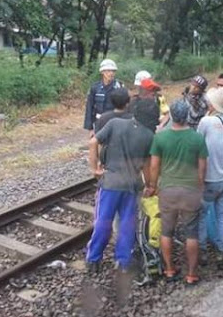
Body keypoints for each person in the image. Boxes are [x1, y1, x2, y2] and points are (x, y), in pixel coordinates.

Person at [85, 92, 155, 274]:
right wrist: (150, 185)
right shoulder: (149, 136)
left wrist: (94, 169)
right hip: (131, 185)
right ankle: (123, 261)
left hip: (110, 183)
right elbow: (147, 165)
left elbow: (93, 142)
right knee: (127, 223)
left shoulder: (115, 124)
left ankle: (93, 260)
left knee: (103, 221)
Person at [149, 100, 208, 286]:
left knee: (166, 231)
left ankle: (169, 270)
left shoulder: (160, 138)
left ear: (172, 116)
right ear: (187, 116)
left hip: (168, 190)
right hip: (191, 191)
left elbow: (154, 165)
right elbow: (202, 167)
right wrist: (200, 185)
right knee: (192, 233)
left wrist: (153, 185)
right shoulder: (197, 138)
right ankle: (191, 274)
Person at [196, 87, 223, 269]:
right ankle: (222, 251)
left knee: (202, 214)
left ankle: (202, 252)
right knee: (221, 214)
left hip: (210, 179)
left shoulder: (206, 121)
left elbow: (196, 145)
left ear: (212, 104)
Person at [83, 59, 124, 137]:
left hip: (115, 122)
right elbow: (89, 108)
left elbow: (124, 107)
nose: (111, 73)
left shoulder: (119, 87)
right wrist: (90, 128)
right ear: (102, 72)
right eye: (108, 71)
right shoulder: (95, 87)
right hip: (99, 122)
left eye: (113, 71)